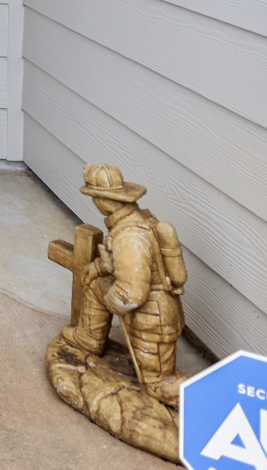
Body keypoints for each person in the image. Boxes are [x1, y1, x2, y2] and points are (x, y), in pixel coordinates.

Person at [61, 163, 188, 405]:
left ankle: (216, 406)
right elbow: (126, 263)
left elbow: (130, 294)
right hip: (152, 309)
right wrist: (98, 268)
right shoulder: (135, 220)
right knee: (98, 286)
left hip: (152, 318)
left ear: (102, 201)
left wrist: (110, 303)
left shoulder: (130, 235)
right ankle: (89, 339)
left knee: (160, 384)